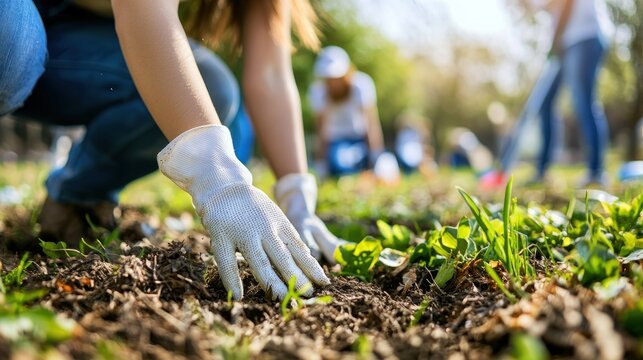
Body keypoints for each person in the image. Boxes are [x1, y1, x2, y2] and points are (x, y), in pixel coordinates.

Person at [1, 0, 346, 301]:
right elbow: (138, 5)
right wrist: (218, 178)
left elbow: (270, 74)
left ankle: (75, 201)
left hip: (72, 36)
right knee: (10, 48)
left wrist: (296, 193)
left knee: (211, 88)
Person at [534, 0, 613, 186]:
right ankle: (542, 170)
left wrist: (556, 37)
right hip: (566, 42)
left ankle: (596, 172)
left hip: (584, 37)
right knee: (545, 104)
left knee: (584, 103)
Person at [308, 46, 386, 177]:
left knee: (353, 162)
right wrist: (320, 163)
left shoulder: (361, 85)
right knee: (339, 164)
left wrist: (376, 155)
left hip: (358, 138)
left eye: (337, 77)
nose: (333, 83)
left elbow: (371, 124)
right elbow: (320, 130)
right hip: (335, 141)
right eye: (329, 79)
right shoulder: (318, 92)